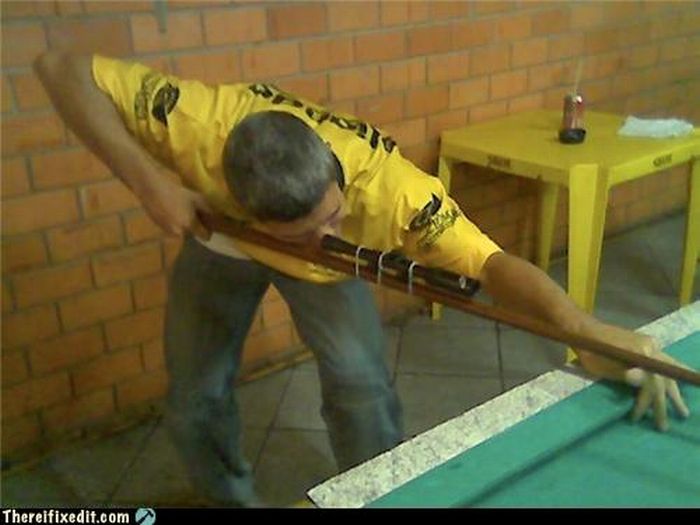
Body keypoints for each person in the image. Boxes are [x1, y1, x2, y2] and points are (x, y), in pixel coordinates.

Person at [34, 50, 690, 507]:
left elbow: (494, 265)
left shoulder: (393, 191)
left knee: (361, 388)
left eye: (333, 211)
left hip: (333, 269)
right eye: (306, 229)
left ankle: (379, 496)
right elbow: (59, 68)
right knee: (194, 397)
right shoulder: (196, 122)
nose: (328, 226)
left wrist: (584, 331)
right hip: (224, 242)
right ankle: (225, 498)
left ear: (334, 172)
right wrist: (147, 181)